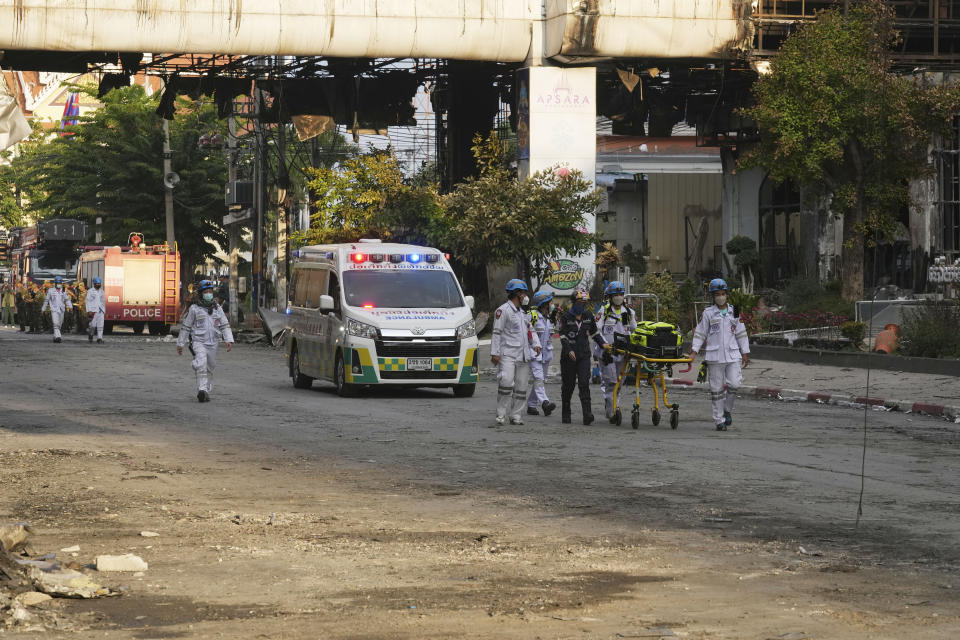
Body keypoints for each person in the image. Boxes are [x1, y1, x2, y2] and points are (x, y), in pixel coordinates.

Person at [690, 278, 751, 431]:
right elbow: (700, 333)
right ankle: (719, 420)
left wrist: (745, 352)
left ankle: (727, 410)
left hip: (732, 355)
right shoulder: (708, 313)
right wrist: (693, 352)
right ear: (713, 296)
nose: (721, 296)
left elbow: (741, 333)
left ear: (727, 294)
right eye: (717, 294)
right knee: (716, 390)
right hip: (715, 356)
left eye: (723, 293)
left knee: (734, 384)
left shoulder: (734, 311)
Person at [490, 279, 541, 426]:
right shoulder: (503, 310)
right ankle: (501, 414)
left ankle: (516, 415)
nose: (525, 296)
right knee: (506, 382)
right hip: (508, 354)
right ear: (516, 294)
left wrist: (536, 344)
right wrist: (495, 353)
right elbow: (497, 333)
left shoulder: (523, 313)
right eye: (523, 293)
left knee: (521, 387)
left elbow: (530, 330)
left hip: (523, 355)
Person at [177, 279, 234, 402]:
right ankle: (201, 390)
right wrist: (181, 343)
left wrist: (228, 340)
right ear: (201, 293)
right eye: (206, 292)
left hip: (213, 343)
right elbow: (186, 327)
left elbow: (224, 325)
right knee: (201, 363)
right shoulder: (194, 309)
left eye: (210, 291)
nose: (208, 294)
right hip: (198, 342)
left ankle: (206, 390)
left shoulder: (217, 308)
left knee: (209, 367)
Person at [558, 288, 609, 425]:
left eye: (585, 303)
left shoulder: (588, 316)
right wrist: (569, 350)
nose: (583, 305)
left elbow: (594, 333)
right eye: (580, 302)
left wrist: (603, 344)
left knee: (584, 384)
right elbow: (562, 336)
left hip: (584, 356)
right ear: (574, 302)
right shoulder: (565, 317)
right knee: (568, 386)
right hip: (568, 357)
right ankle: (566, 413)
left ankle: (587, 414)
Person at [595, 281, 637, 421]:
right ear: (610, 296)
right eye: (615, 294)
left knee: (619, 383)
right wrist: (604, 345)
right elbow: (596, 331)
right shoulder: (604, 311)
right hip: (608, 353)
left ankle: (615, 407)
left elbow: (634, 330)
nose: (618, 297)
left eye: (620, 294)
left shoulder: (629, 312)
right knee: (611, 382)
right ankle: (611, 411)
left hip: (623, 354)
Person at [525, 290, 557, 417]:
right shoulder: (532, 316)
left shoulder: (549, 317)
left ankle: (532, 406)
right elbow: (527, 333)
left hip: (546, 354)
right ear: (544, 303)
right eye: (550, 302)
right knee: (538, 379)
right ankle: (545, 402)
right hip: (534, 353)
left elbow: (552, 334)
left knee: (541, 380)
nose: (552, 304)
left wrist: (555, 318)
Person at [41, 276, 73, 342]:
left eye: (60, 283)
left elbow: (67, 300)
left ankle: (55, 336)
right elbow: (46, 300)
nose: (59, 284)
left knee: (59, 324)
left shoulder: (63, 290)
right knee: (55, 323)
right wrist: (43, 309)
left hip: (61, 309)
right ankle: (58, 337)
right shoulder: (50, 290)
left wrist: (70, 307)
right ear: (55, 283)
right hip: (54, 309)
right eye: (58, 283)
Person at [85, 277, 106, 343]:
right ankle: (90, 335)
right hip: (93, 311)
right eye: (97, 283)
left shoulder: (102, 291)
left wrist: (104, 310)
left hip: (100, 311)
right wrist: (89, 311)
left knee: (100, 325)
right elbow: (87, 301)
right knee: (92, 325)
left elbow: (103, 301)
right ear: (94, 284)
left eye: (99, 283)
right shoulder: (90, 291)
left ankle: (99, 338)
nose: (98, 284)